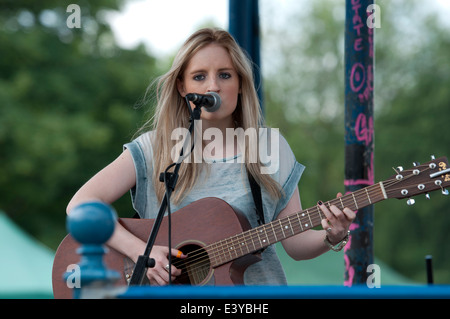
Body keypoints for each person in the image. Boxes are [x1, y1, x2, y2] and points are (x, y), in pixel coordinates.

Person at [67, 28, 355, 286]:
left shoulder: (269, 145)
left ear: (240, 84)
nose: (212, 86)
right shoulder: (154, 148)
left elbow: (293, 243)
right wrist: (140, 251)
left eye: (225, 75)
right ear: (182, 87)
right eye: (199, 76)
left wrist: (332, 236)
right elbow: (80, 206)